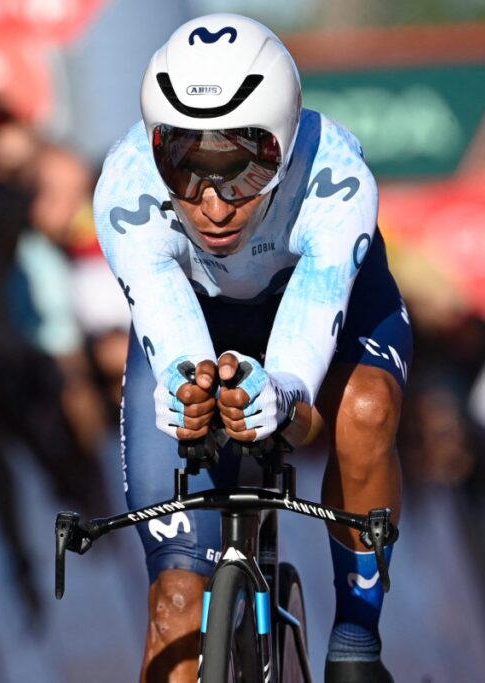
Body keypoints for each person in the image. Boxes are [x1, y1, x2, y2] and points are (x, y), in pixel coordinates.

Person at [93, 14, 410, 683]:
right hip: (196, 315)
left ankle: (357, 629)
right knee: (176, 606)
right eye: (186, 168)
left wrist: (282, 393)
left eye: (241, 172)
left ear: (285, 146)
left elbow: (301, 361)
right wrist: (187, 392)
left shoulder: (337, 178)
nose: (212, 204)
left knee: (366, 412)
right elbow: (172, 338)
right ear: (157, 148)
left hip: (314, 307)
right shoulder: (125, 187)